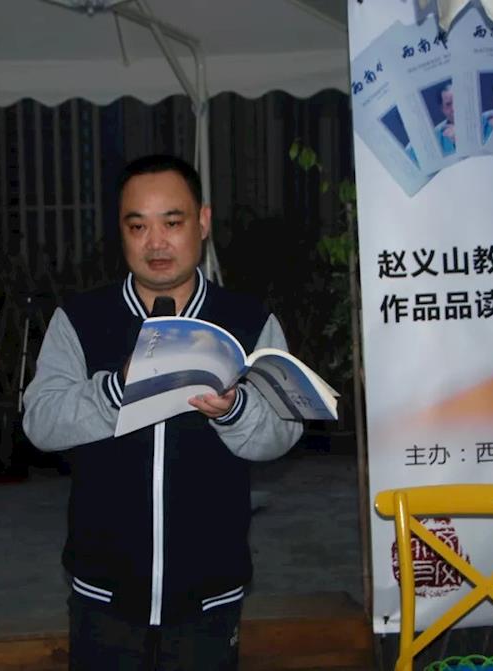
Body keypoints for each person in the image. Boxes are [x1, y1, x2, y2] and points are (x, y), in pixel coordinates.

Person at [22, 154, 303, 670]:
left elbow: (282, 432)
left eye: (172, 223)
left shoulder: (248, 321)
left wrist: (234, 410)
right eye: (138, 226)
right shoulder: (81, 319)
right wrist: (116, 390)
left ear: (203, 222)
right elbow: (40, 421)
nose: (156, 243)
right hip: (102, 593)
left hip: (210, 593)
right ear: (121, 231)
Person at [433, 82, 456, 156]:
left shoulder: (485, 122)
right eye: (448, 104)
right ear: (442, 109)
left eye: (457, 101)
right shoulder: (435, 138)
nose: (454, 108)